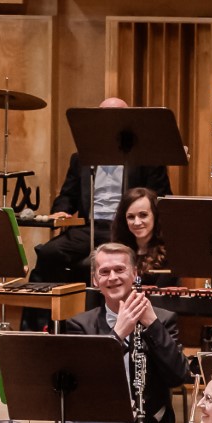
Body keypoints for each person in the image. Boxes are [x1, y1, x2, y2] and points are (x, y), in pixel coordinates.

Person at [32, 242, 186, 423]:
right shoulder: (80, 325)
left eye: (119, 269)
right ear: (95, 280)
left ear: (134, 273)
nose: (112, 277)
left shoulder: (162, 320)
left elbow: (178, 375)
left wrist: (152, 325)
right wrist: (118, 335)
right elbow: (83, 379)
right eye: (104, 272)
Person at [30, 98, 173, 289]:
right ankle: (58, 307)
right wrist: (61, 211)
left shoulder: (146, 158)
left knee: (111, 261)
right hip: (88, 227)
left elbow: (160, 197)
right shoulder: (81, 158)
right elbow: (67, 196)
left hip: (125, 227)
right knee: (49, 253)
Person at [110, 187, 167, 278]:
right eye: (131, 217)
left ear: (155, 216)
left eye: (143, 215)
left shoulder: (170, 254)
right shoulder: (117, 252)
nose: (137, 222)